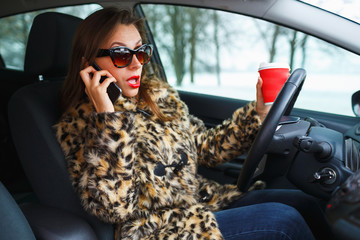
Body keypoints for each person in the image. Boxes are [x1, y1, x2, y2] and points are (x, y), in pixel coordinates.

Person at [54, 7, 315, 240]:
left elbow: (205, 147)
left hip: (200, 204)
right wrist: (109, 121)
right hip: (157, 231)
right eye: (121, 54)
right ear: (88, 63)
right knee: (285, 220)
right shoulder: (81, 125)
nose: (136, 64)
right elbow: (114, 208)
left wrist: (257, 114)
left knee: (304, 202)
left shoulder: (156, 96)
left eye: (141, 52)